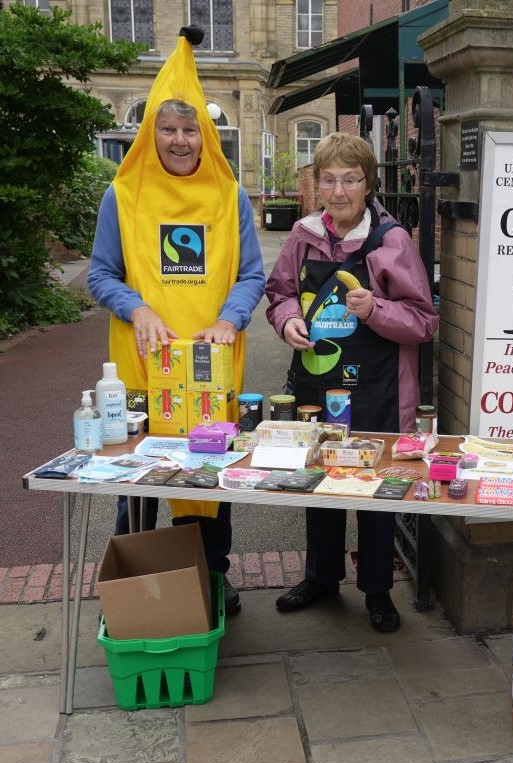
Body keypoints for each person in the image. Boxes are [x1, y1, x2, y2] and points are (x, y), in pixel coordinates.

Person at [88, 27, 265, 616]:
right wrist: (136, 307)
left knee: (210, 480)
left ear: (205, 135)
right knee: (137, 480)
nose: (181, 140)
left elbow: (251, 277)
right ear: (151, 133)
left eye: (191, 130)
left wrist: (230, 319)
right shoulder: (122, 197)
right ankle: (136, 586)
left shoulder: (230, 197)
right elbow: (100, 275)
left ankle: (212, 577)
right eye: (168, 128)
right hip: (143, 367)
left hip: (211, 368)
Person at [265, 132, 438, 632]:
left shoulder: (391, 241)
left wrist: (376, 309)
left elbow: (423, 321)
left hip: (378, 388)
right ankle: (321, 577)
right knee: (317, 480)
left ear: (368, 184)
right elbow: (279, 293)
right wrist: (287, 320)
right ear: (316, 184)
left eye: (351, 180)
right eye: (329, 180)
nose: (339, 191)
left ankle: (377, 590)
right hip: (315, 386)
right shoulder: (302, 236)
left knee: (375, 488)